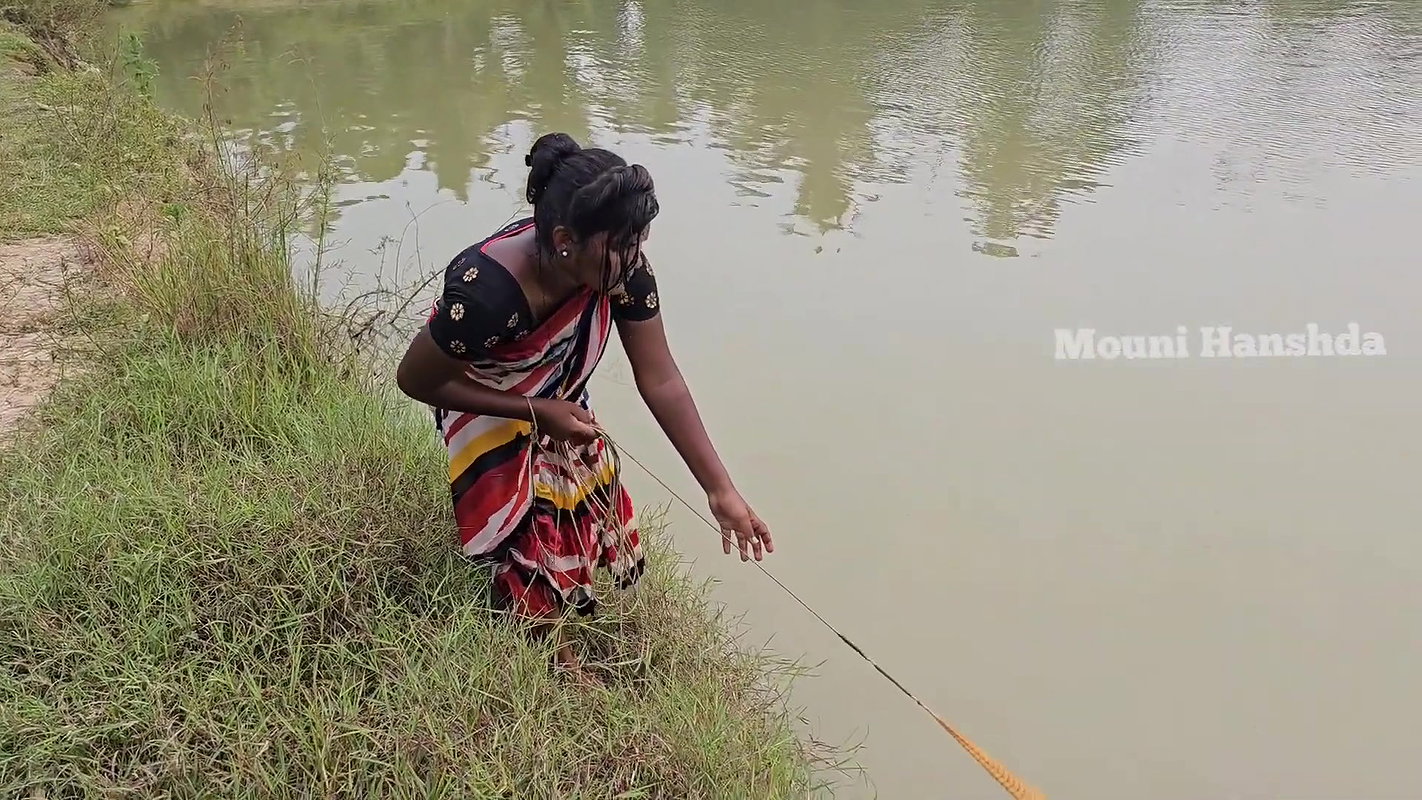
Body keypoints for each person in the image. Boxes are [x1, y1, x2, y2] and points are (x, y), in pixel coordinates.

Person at [395, 132, 773, 673]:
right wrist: (534, 412)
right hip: (483, 397)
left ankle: (550, 616)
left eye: (639, 238)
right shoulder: (487, 296)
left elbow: (661, 379)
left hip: (559, 396)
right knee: (526, 527)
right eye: (621, 242)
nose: (635, 256)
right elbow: (417, 380)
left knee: (572, 505)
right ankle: (552, 656)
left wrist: (721, 491)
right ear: (566, 239)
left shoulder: (619, 272)